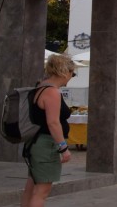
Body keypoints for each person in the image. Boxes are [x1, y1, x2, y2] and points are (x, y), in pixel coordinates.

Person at [20, 54, 77, 207]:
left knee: (31, 188)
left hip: (36, 144)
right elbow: (53, 122)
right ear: (64, 71)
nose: (71, 77)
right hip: (46, 145)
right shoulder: (52, 92)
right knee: (42, 192)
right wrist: (63, 147)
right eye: (73, 73)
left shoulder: (40, 87)